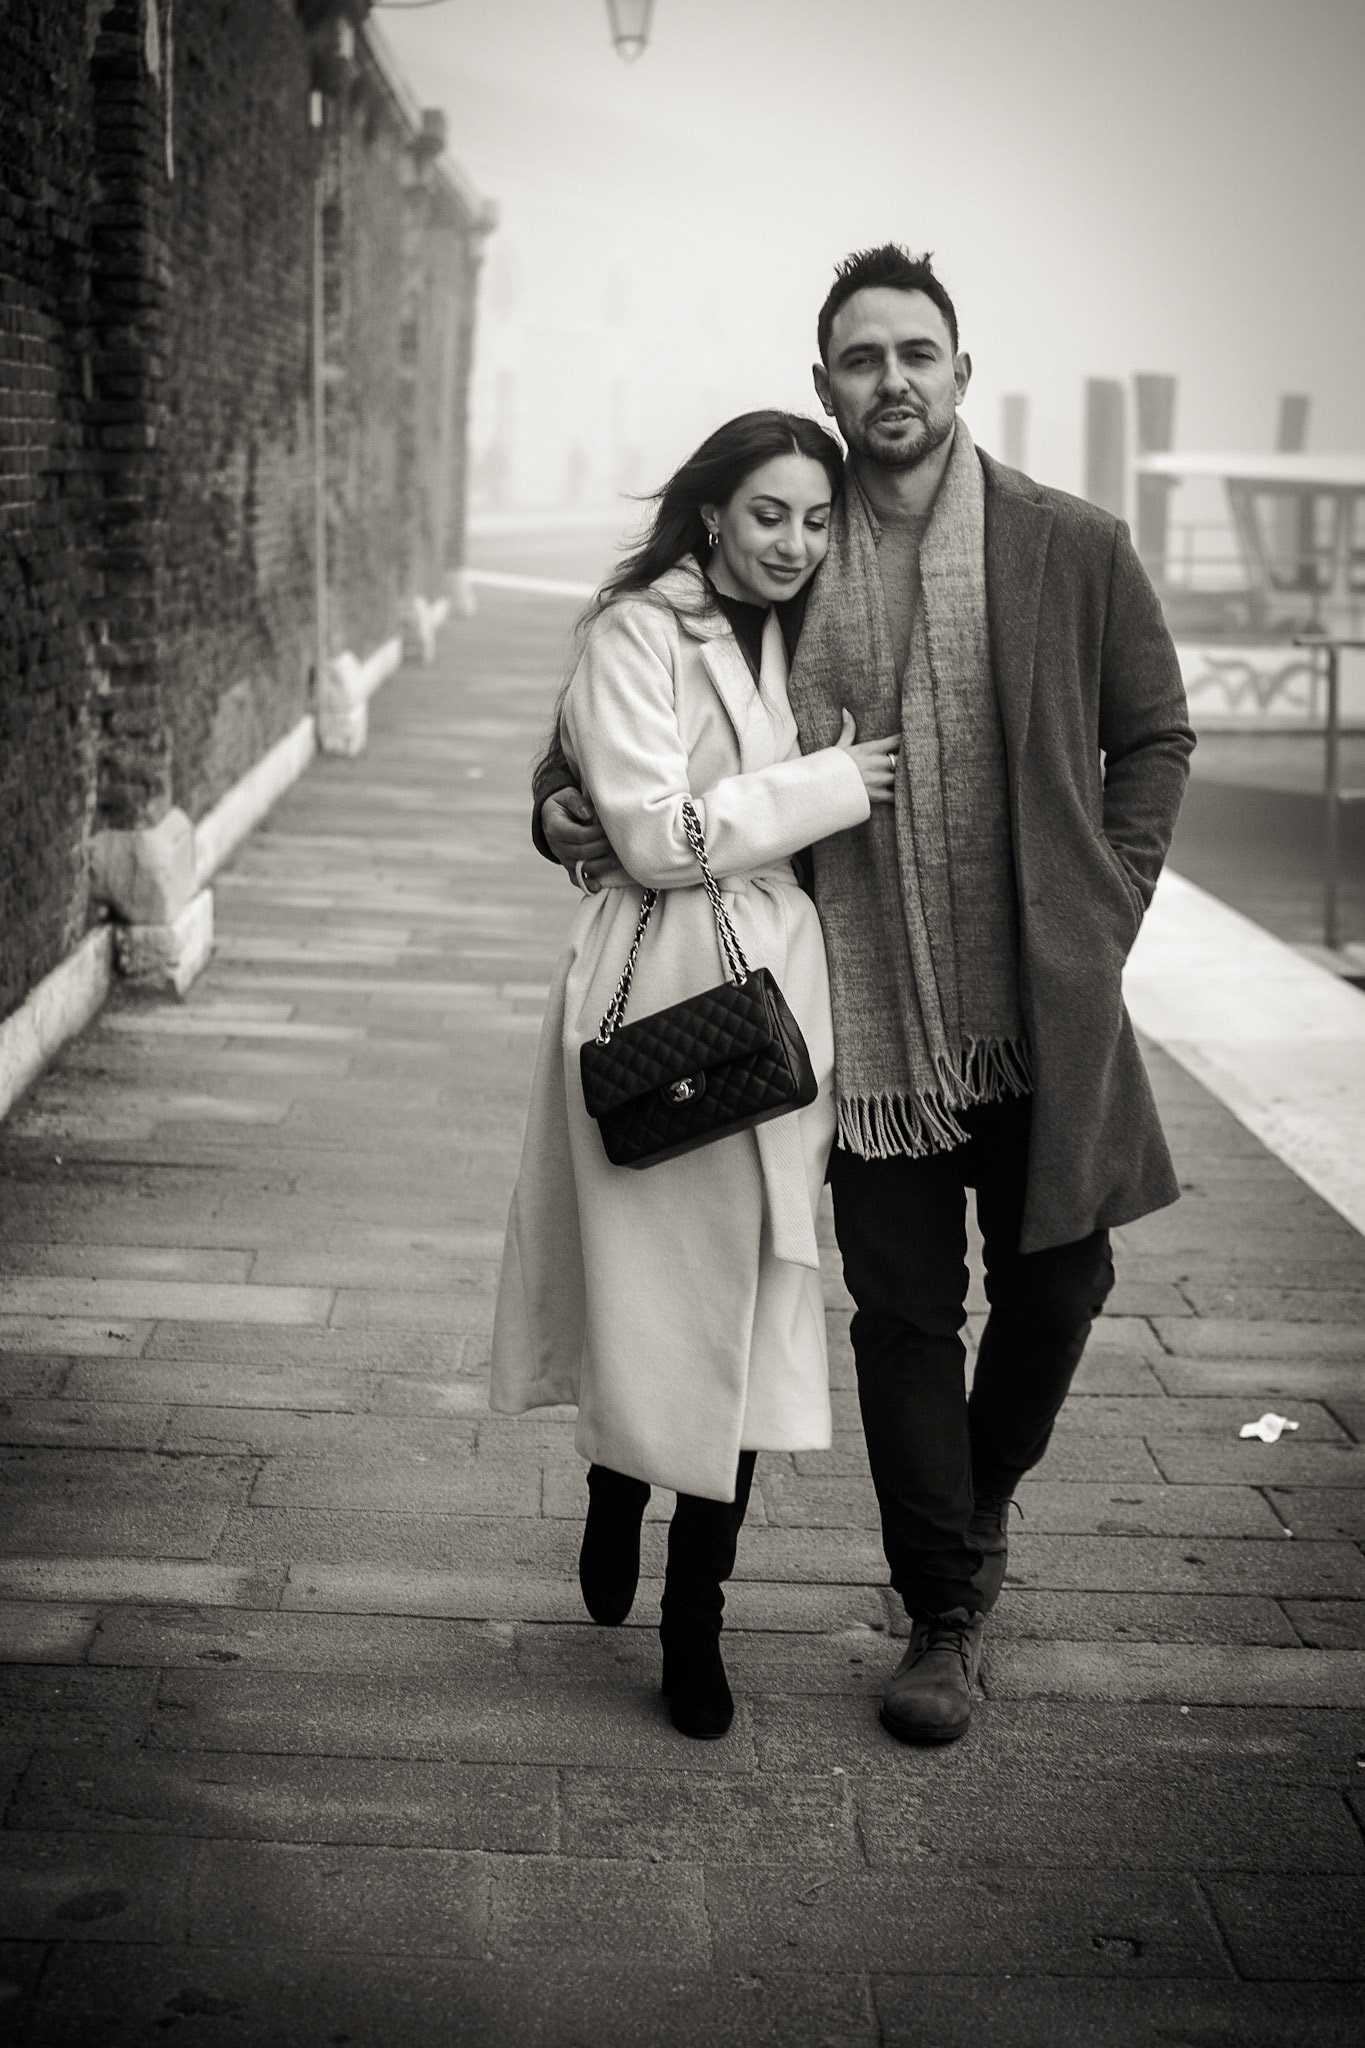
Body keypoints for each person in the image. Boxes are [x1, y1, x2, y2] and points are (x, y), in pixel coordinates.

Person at [535, 247, 1195, 1746]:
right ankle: (942, 1613)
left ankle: (973, 1505)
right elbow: (636, 695)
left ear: (961, 370)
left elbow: (1154, 734)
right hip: (853, 1018)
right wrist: (554, 804)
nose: (890, 380)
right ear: (827, 383)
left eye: (915, 353)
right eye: (860, 358)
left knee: (1061, 1287)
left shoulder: (1069, 544)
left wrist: (1110, 900)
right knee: (903, 1321)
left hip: (1040, 1004)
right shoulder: (798, 544)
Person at [490, 410, 900, 1741]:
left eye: (817, 518)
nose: (794, 542)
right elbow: (657, 836)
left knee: (754, 1304)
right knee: (651, 1292)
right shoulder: (637, 631)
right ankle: (617, 1485)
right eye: (768, 513)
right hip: (656, 983)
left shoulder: (823, 626)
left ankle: (695, 1620)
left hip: (783, 1004)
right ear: (713, 511)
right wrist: (834, 782)